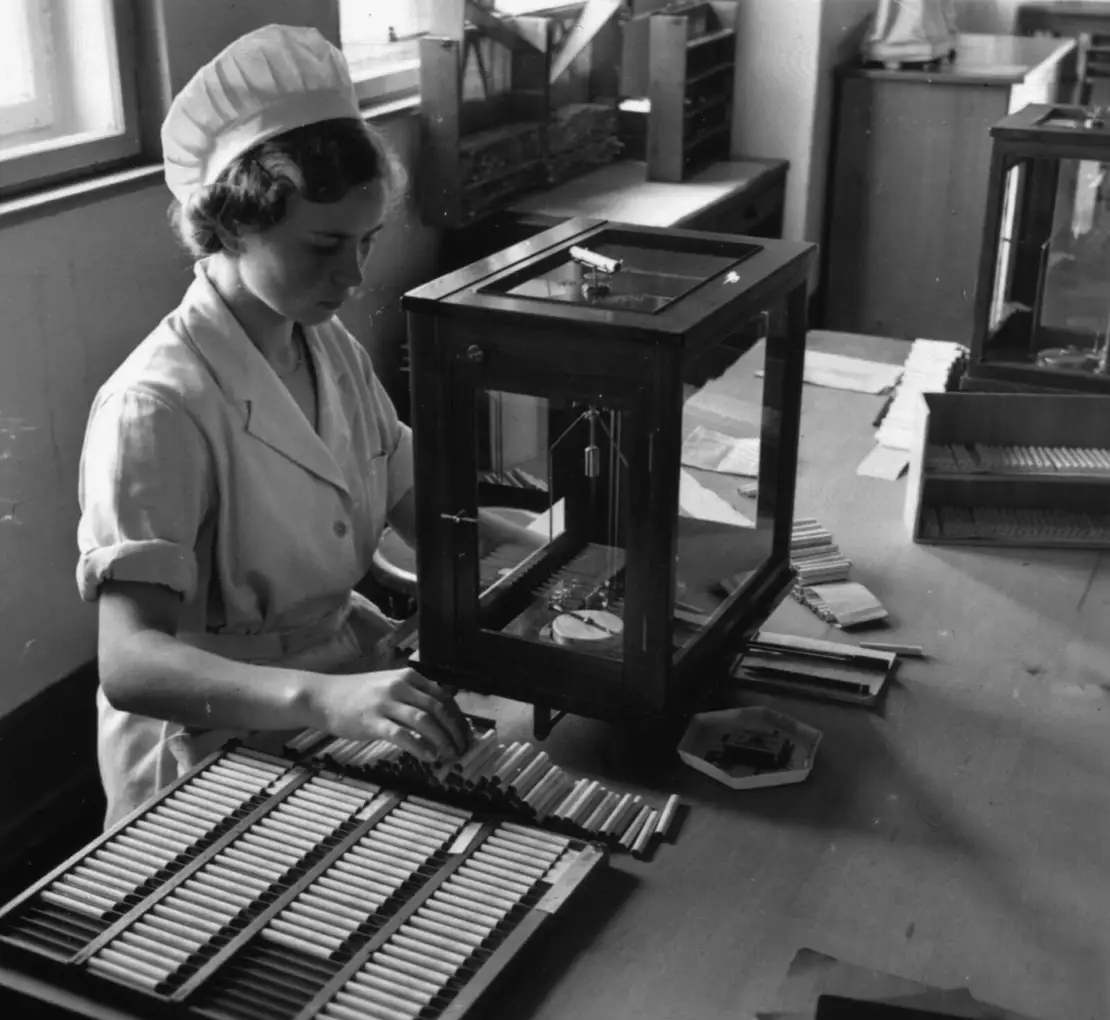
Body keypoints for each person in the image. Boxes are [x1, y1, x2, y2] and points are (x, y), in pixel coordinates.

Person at [76, 24, 531, 830]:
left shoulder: (325, 347)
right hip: (212, 744)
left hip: (339, 689)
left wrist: (563, 563)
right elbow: (132, 664)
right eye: (324, 245)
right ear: (232, 223)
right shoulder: (157, 405)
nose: (353, 276)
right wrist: (325, 699)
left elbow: (427, 511)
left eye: (367, 242)